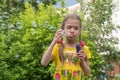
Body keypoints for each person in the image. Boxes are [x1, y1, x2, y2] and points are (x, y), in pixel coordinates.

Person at [41, 14, 91, 80]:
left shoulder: (84, 48)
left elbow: (87, 73)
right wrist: (54, 42)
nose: (72, 30)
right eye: (69, 27)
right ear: (63, 29)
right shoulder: (57, 47)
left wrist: (82, 61)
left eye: (76, 28)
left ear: (79, 31)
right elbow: (44, 63)